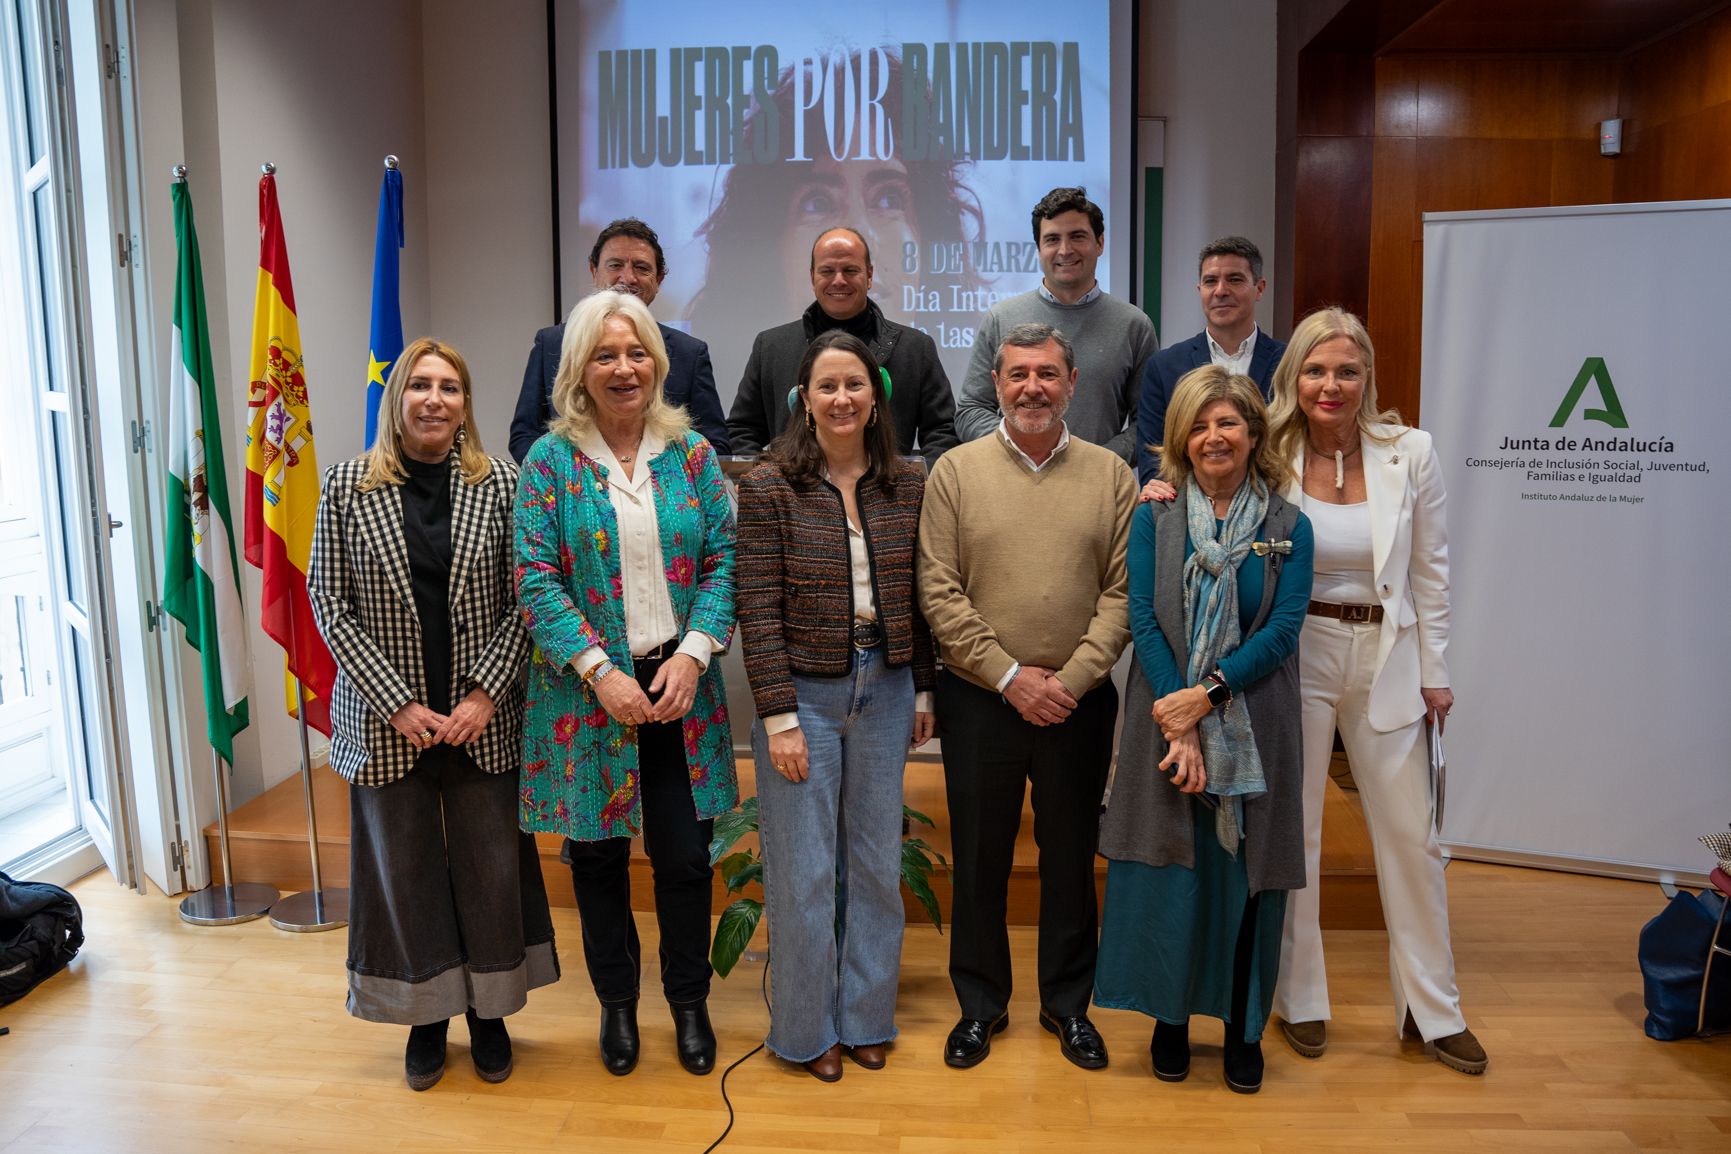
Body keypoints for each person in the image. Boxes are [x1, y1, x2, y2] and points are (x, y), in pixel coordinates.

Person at [308, 338, 556, 1092]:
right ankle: (425, 1018)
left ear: (465, 404)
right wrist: (399, 702)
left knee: (490, 871)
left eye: (450, 387)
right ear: (398, 399)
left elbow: (530, 594)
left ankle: (489, 1014)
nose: (434, 399)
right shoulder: (348, 484)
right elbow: (328, 601)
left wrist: (484, 692)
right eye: (420, 384)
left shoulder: (502, 481)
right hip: (388, 725)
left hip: (484, 720)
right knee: (403, 874)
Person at [514, 290, 737, 1078]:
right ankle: (616, 1006)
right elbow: (535, 578)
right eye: (605, 355)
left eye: (636, 352)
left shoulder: (694, 456)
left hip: (681, 685)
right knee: (599, 857)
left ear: (657, 363)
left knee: (682, 857)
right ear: (579, 367)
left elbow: (724, 562)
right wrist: (600, 671)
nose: (623, 368)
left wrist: (693, 653)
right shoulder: (549, 461)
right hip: (588, 697)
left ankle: (688, 1004)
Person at [1265, 307, 1486, 1075]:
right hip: (1295, 653)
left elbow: (1431, 570)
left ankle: (1433, 1010)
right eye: (1316, 370)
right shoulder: (1267, 448)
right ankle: (1299, 999)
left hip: (1388, 654)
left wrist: (1437, 672)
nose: (1331, 385)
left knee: (1412, 839)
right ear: (1294, 375)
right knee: (1294, 834)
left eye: (1346, 371)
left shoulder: (1409, 451)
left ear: (1367, 378)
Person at [918, 322, 1134, 1071]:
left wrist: (1066, 682)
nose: (1031, 388)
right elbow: (937, 592)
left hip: (1077, 702)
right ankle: (980, 1006)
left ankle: (1067, 1006)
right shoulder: (954, 472)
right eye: (1016, 375)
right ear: (996, 385)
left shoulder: (1112, 475)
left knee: (1071, 858)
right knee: (978, 858)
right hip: (981, 699)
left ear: (1071, 384)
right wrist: (1010, 678)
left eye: (1046, 374)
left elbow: (1122, 591)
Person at [1094, 366, 1313, 1094]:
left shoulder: (1288, 526)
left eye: (1227, 422)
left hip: (1257, 721)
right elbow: (1144, 619)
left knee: (1245, 878)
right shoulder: (1153, 517)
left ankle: (1242, 1027)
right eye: (1198, 424)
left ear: (1253, 432)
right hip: (1162, 720)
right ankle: (1169, 1019)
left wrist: (1208, 696)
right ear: (1180, 440)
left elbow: (1283, 631)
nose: (1212, 436)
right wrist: (1177, 718)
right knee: (1171, 874)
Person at [735, 330, 938, 1082]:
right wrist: (780, 717)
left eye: (855, 384)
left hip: (884, 689)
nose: (842, 398)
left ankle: (864, 1019)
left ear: (877, 396)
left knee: (877, 868)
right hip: (805, 700)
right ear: (803, 400)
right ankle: (803, 1031)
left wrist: (921, 686)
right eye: (827, 386)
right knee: (804, 873)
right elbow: (754, 609)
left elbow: (920, 599)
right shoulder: (766, 487)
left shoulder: (908, 484)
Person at [689, 49, 984, 398]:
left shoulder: (922, 353)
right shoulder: (766, 351)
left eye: (889, 199)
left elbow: (940, 437)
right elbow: (743, 435)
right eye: (818, 203)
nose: (859, 241)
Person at [956, 187, 1157, 465]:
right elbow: (971, 409)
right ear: (1039, 249)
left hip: (1095, 488)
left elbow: (1148, 423)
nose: (1065, 250)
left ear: (1099, 243)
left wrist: (1095, 462)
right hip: (1011, 483)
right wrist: (1022, 450)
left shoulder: (1134, 325)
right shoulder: (1000, 318)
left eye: (1077, 236)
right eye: (1052, 239)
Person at [726, 227, 958, 465]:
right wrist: (761, 484)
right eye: (827, 271)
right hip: (793, 498)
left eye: (850, 270)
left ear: (869, 275)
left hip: (890, 496)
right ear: (812, 276)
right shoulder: (771, 347)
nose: (838, 280)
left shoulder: (915, 349)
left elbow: (943, 431)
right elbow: (743, 430)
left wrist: (924, 485)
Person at [510, 217, 729, 462]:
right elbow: (524, 435)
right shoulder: (552, 343)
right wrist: (570, 476)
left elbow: (716, 443)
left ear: (659, 281)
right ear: (594, 271)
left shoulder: (690, 352)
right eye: (615, 265)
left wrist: (650, 475)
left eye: (642, 268)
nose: (628, 278)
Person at [1135, 237, 1286, 489]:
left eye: (1235, 279)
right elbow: (1153, 458)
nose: (1220, 290)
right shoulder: (1164, 367)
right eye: (1210, 281)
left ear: (1259, 288)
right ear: (1200, 290)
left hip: (1273, 509)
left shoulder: (1288, 363)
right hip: (1187, 515)